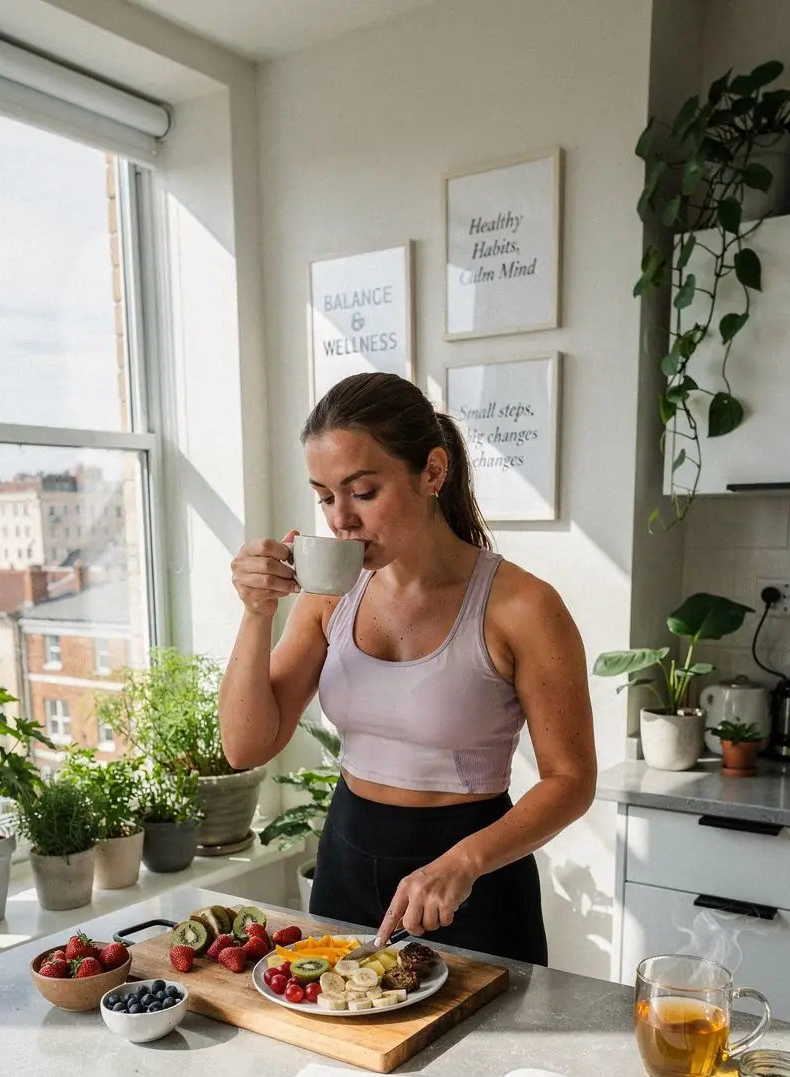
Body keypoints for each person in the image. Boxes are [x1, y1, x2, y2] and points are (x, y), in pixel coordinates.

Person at [220, 373, 596, 964]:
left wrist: (463, 863)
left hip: (474, 879)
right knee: (339, 1051)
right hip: (346, 858)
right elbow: (245, 747)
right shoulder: (327, 598)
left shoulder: (523, 607)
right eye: (324, 496)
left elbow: (570, 780)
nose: (340, 519)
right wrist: (255, 613)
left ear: (433, 473)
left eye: (363, 491)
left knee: (478, 1055)